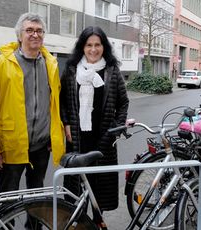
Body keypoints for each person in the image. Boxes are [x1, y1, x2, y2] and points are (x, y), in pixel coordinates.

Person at [0, 12, 65, 225]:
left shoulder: (51, 63)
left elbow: (54, 104)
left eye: (39, 31)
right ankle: (3, 228)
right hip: (11, 145)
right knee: (8, 197)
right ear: (20, 35)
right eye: (29, 30)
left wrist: (53, 137)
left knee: (37, 196)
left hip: (40, 146)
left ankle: (34, 228)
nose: (34, 35)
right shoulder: (2, 64)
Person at [60, 26, 129, 219]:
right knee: (77, 189)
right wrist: (66, 123)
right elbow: (62, 101)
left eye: (97, 45)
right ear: (82, 47)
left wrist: (115, 129)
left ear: (103, 46)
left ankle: (98, 221)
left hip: (104, 139)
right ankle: (79, 222)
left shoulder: (112, 71)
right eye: (88, 45)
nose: (93, 49)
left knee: (100, 192)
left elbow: (123, 103)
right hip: (77, 138)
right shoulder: (72, 71)